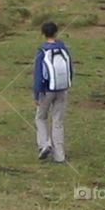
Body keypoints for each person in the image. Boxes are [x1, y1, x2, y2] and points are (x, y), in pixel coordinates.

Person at [33, 21, 72, 164]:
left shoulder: (42, 51)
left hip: (46, 91)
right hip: (62, 89)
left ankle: (44, 145)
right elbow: (70, 70)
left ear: (43, 34)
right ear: (57, 32)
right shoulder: (64, 49)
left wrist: (36, 94)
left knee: (40, 117)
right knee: (58, 122)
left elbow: (37, 76)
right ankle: (59, 156)